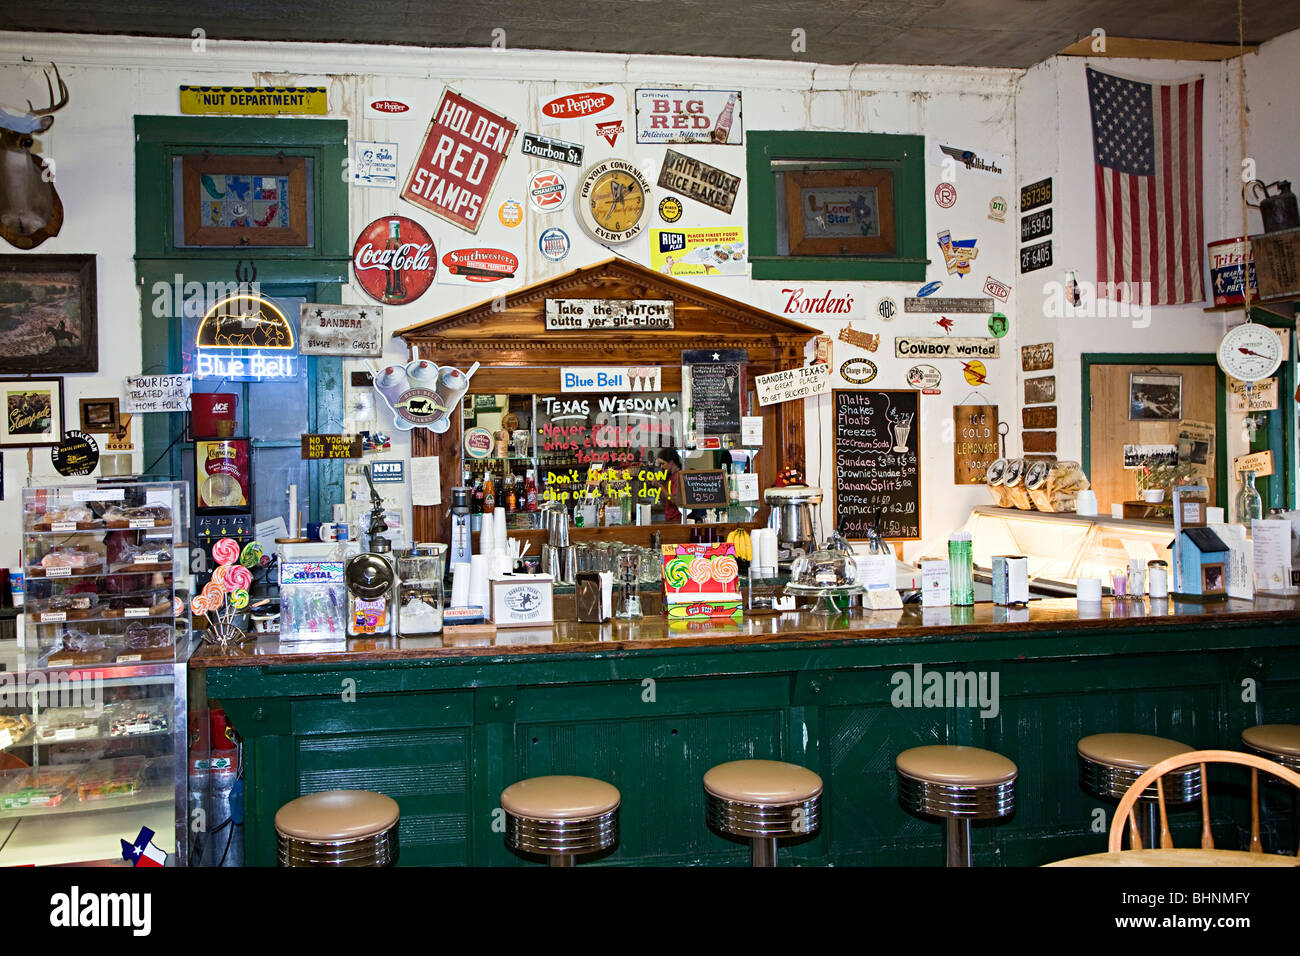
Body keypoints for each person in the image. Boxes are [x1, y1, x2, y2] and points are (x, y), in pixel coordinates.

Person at [656, 449, 683, 522]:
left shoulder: (678, 477)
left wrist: (660, 486)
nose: (661, 467)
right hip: (671, 518)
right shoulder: (670, 477)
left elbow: (676, 500)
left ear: (671, 462)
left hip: (677, 519)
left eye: (663, 463)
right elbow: (665, 501)